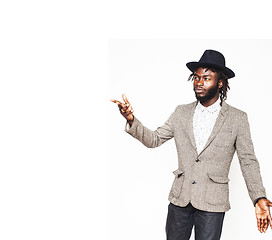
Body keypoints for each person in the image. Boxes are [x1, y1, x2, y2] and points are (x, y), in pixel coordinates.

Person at [111, 49, 272, 240]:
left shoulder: (237, 118)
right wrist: (131, 119)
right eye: (196, 78)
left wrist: (258, 197)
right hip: (180, 199)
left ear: (220, 83)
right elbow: (154, 139)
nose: (199, 83)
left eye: (206, 78)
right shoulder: (181, 113)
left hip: (212, 203)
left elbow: (248, 161)